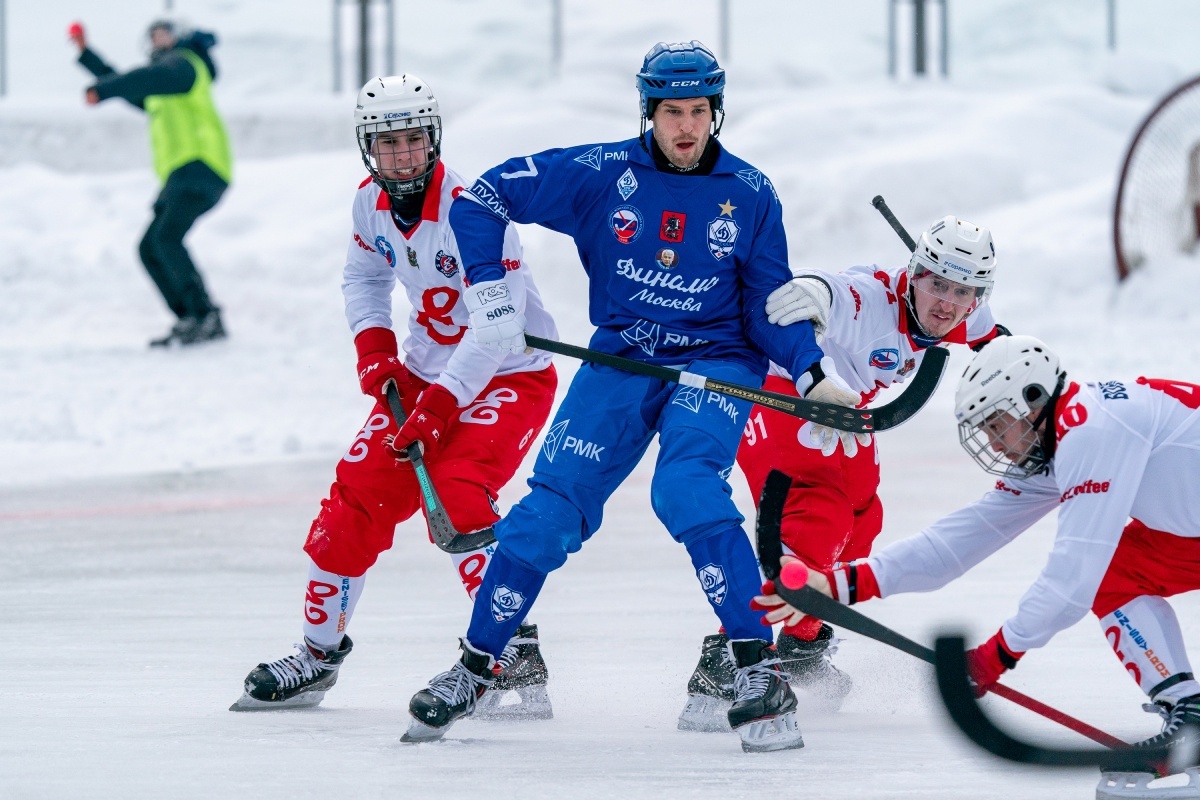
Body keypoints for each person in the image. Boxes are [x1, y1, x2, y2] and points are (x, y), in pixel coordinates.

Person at [400, 41, 828, 754]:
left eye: (698, 112)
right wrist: (487, 288)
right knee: (545, 513)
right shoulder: (601, 173)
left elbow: (764, 305)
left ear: (715, 112)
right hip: (622, 357)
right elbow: (482, 199)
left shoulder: (751, 192)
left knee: (687, 489)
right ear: (648, 113)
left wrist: (809, 371)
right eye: (671, 112)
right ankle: (479, 667)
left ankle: (759, 668)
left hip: (717, 363)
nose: (686, 127)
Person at [230, 75, 559, 719]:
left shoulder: (474, 213)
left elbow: (495, 327)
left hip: (509, 375)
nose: (402, 156)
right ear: (367, 148)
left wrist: (438, 410)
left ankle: (510, 650)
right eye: (388, 143)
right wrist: (375, 349)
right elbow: (363, 274)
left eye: (414, 140)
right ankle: (318, 652)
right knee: (358, 491)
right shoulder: (369, 205)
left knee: (460, 489)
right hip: (423, 375)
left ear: (433, 141)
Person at [757, 334, 1200, 787]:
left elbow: (1072, 579)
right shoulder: (1060, 435)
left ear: (1032, 401)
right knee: (1117, 574)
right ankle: (1192, 718)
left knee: (1102, 570)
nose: (994, 442)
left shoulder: (1094, 432)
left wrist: (995, 657)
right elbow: (962, 539)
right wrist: (840, 584)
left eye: (995, 424)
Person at [678, 216, 1006, 730]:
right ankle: (729, 658)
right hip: (774, 389)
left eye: (962, 291)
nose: (946, 302)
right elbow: (830, 290)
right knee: (817, 518)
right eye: (937, 283)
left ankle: (802, 643)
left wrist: (1006, 354)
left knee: (862, 519)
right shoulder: (870, 299)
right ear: (915, 273)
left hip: (842, 410)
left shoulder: (961, 309)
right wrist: (810, 290)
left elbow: (987, 331)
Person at [69, 17, 232, 347]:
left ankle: (206, 316)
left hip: (201, 167)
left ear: (180, 37)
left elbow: (146, 77)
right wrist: (87, 55)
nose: (158, 40)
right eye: (153, 36)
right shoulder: (161, 86)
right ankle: (190, 317)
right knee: (149, 247)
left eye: (164, 34)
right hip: (180, 175)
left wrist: (103, 91)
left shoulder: (186, 66)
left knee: (167, 238)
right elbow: (129, 83)